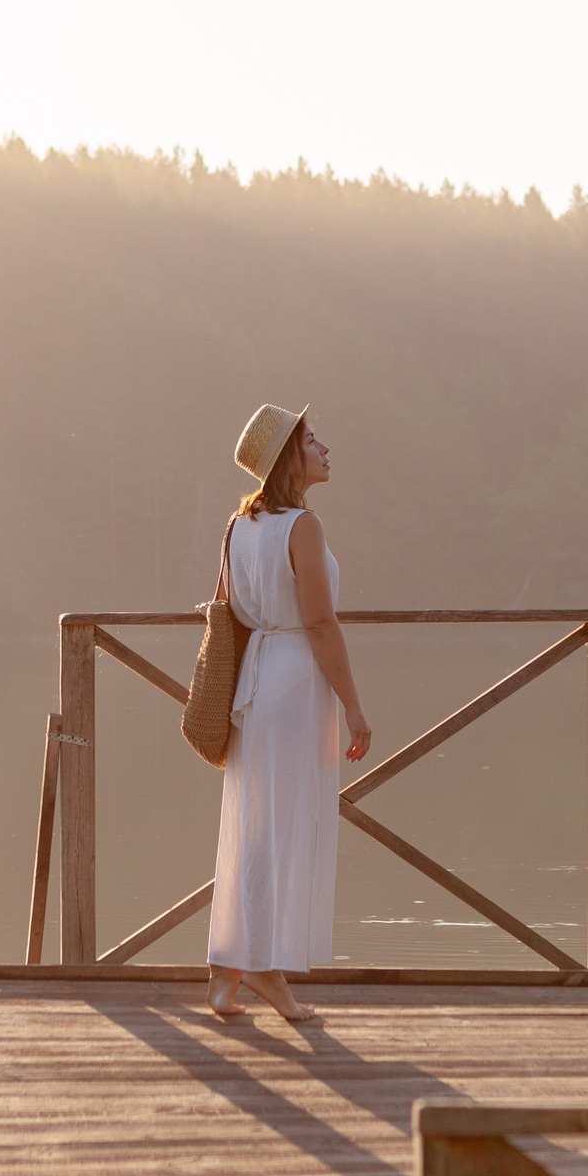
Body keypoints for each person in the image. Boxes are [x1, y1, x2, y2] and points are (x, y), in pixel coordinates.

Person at [206, 404, 371, 1021]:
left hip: (257, 680)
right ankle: (268, 970)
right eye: (310, 439)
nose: (323, 446)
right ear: (288, 460)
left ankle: (228, 972)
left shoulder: (239, 526)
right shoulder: (303, 526)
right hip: (295, 679)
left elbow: (230, 605)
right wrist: (354, 706)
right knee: (283, 825)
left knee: (252, 825)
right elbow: (321, 623)